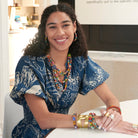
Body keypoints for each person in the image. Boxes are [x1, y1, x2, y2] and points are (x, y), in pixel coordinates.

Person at [10, 3, 138, 138]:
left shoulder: (79, 62)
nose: (60, 32)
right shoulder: (29, 64)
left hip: (65, 132)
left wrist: (113, 114)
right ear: (45, 32)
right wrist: (94, 121)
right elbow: (44, 119)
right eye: (52, 27)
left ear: (74, 27)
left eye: (65, 25)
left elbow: (109, 97)